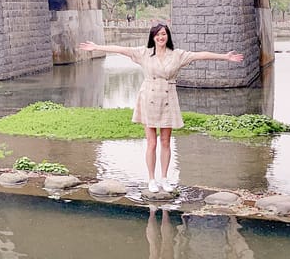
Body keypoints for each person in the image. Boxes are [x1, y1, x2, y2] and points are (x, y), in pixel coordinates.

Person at [79, 24, 244, 193]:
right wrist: (97, 47)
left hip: (168, 97)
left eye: (163, 34)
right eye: (157, 35)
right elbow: (121, 49)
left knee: (165, 142)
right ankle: (151, 179)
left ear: (167, 36)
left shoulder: (177, 55)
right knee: (151, 143)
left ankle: (164, 179)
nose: (160, 37)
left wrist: (225, 57)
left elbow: (200, 55)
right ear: (153, 37)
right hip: (148, 97)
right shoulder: (144, 53)